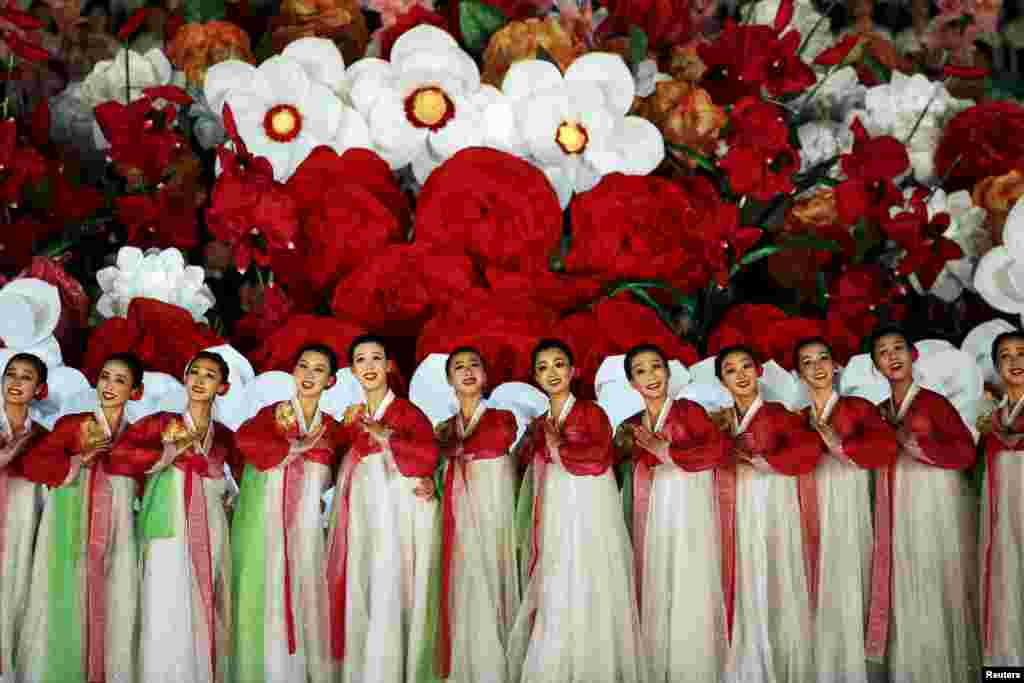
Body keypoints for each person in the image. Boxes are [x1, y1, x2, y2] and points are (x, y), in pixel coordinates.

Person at [507, 339, 645, 683]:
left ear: (573, 370)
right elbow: (521, 463)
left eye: (558, 364)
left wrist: (558, 449)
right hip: (555, 503)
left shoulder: (591, 412)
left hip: (589, 505)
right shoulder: (539, 423)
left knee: (590, 572)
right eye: (542, 367)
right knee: (557, 574)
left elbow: (600, 458)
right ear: (535, 377)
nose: (551, 372)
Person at [17, 353, 148, 683]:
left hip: (118, 530)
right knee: (64, 597)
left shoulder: (137, 437)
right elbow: (34, 465)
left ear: (136, 391)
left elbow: (147, 484)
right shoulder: (72, 424)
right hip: (68, 524)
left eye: (120, 380)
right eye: (105, 377)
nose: (109, 385)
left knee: (115, 599)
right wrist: (79, 459)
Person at [114, 351, 241, 683]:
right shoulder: (161, 423)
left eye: (209, 375)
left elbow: (243, 477)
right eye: (194, 372)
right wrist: (165, 454)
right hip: (167, 520)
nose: (199, 380)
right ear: (185, 379)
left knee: (202, 593)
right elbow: (120, 456)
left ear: (223, 387)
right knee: (164, 592)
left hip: (210, 522)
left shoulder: (224, 435)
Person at [865, 326, 979, 683]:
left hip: (935, 505)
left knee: (935, 575)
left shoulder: (934, 402)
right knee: (903, 576)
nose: (893, 356)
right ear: (875, 366)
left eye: (899, 348)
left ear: (913, 356)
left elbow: (964, 454)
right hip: (896, 503)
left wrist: (913, 444)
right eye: (883, 352)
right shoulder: (879, 411)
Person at [324, 334, 439, 683]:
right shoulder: (353, 418)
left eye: (376, 358)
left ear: (389, 365)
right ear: (352, 370)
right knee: (367, 578)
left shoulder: (406, 411)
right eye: (361, 360)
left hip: (401, 510)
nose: (369, 366)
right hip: (364, 509)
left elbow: (427, 457)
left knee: (396, 580)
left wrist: (385, 435)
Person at [616, 344, 731, 683]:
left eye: (656, 367)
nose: (650, 376)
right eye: (640, 371)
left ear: (667, 373)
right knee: (657, 573)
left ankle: (694, 666)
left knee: (690, 574)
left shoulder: (691, 411)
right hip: (653, 510)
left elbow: (714, 452)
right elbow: (613, 459)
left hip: (690, 505)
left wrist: (666, 451)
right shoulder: (632, 425)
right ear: (632, 383)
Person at [230, 344, 342, 683]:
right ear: (293, 373)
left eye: (318, 370)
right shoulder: (271, 416)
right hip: (267, 527)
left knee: (306, 595)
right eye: (303, 366)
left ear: (331, 381)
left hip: (308, 529)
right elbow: (245, 446)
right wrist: (292, 448)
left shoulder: (333, 429)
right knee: (267, 594)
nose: (308, 375)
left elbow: (351, 469)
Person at [792, 338, 897, 683]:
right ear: (798, 373)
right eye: (808, 362)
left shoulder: (858, 407)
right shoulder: (798, 419)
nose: (817, 366)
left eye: (824, 358)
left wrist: (838, 444)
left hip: (850, 502)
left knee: (852, 571)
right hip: (810, 500)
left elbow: (883, 448)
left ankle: (856, 665)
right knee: (816, 573)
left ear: (835, 365)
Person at [715, 345, 820, 683]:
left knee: (776, 573)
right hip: (737, 506)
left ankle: (781, 661)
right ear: (721, 380)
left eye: (746, 366)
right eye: (730, 370)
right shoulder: (720, 421)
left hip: (774, 505)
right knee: (744, 574)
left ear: (759, 371)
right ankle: (749, 664)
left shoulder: (778, 414)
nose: (741, 374)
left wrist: (759, 460)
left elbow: (806, 454)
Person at [434, 347, 520, 682]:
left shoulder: (501, 419)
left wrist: (450, 449)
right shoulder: (444, 428)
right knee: (463, 579)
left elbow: (493, 442)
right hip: (457, 513)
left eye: (475, 365)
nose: (468, 371)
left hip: (492, 511)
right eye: (459, 367)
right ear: (449, 380)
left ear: (485, 376)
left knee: (492, 574)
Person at [0, 354, 47, 679]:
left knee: (14, 589)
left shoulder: (44, 438)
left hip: (20, 523)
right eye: (11, 374)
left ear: (40, 389)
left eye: (26, 377)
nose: (16, 382)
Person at [981, 330, 1024, 667]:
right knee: (1007, 582)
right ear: (996, 367)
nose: (1014, 361)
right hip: (1004, 514)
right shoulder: (994, 414)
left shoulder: (994, 422)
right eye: (1005, 356)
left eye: (1021, 353)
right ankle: (1008, 672)